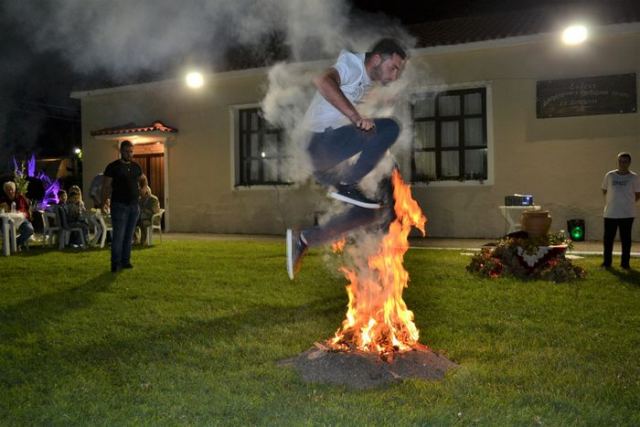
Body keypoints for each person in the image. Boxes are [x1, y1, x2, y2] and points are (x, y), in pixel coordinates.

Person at [286, 38, 408, 280]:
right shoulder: (352, 65)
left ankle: (304, 239)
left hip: (327, 160)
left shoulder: (365, 84)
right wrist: (355, 117)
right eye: (393, 68)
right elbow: (322, 81)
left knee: (368, 212)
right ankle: (349, 184)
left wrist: (382, 152)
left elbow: (362, 135)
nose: (394, 76)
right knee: (390, 128)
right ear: (376, 59)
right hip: (318, 144)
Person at [102, 140, 143, 272]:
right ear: (121, 151)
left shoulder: (136, 167)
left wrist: (145, 187)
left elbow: (143, 179)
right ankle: (115, 263)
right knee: (118, 235)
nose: (129, 154)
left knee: (129, 235)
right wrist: (104, 202)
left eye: (131, 151)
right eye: (126, 151)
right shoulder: (113, 167)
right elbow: (106, 186)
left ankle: (126, 261)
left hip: (134, 206)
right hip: (119, 205)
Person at [601, 152, 640, 269]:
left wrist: (627, 203)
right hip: (610, 213)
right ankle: (607, 263)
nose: (622, 164)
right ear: (618, 162)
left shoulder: (634, 177)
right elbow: (604, 190)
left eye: (625, 161)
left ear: (629, 163)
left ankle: (625, 264)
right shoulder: (610, 175)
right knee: (608, 240)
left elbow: (638, 194)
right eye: (620, 161)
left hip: (627, 214)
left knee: (626, 240)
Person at [0, 181, 34, 250]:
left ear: (14, 189)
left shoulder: (20, 197)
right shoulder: (3, 199)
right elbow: (2, 210)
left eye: (11, 189)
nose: (10, 191)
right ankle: (10, 245)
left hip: (21, 219)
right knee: (5, 230)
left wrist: (19, 211)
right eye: (7, 190)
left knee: (29, 230)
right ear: (5, 191)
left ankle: (14, 243)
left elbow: (23, 209)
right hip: (8, 220)